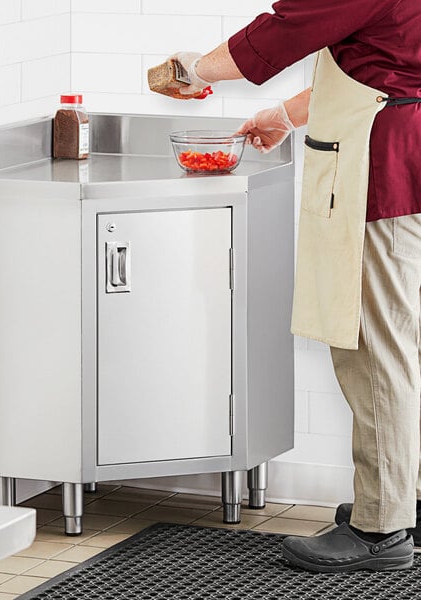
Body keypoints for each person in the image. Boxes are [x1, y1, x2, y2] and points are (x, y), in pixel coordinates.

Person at [168, 0, 421, 573]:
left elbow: (279, 34)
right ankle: (405, 497)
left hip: (380, 174)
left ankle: (381, 529)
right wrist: (285, 114)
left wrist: (191, 70)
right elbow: (382, 70)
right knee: (407, 345)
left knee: (375, 351)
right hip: (410, 155)